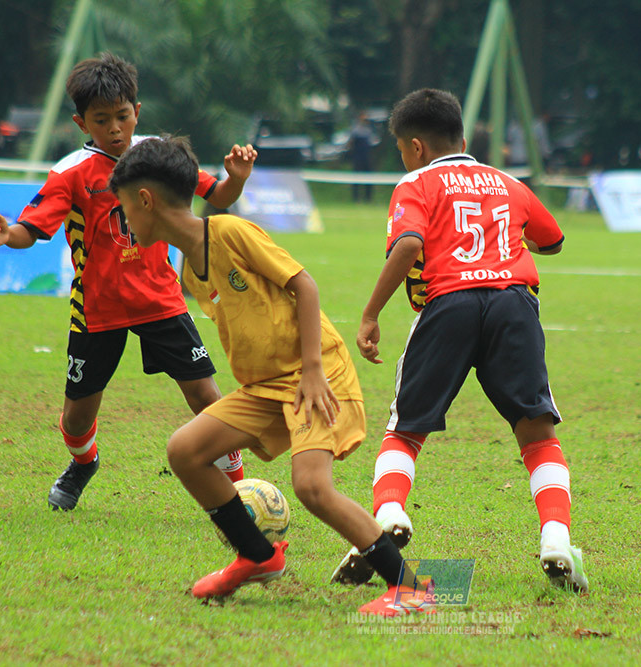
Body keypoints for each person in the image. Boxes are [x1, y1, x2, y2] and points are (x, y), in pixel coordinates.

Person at [108, 135, 434, 616]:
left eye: (123, 209)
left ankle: (413, 589)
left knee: (312, 488)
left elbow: (304, 285)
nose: (125, 222)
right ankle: (258, 557)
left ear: (145, 200)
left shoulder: (230, 232)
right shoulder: (189, 270)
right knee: (185, 451)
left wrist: (314, 371)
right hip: (265, 388)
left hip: (313, 372)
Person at [331, 88, 588, 592]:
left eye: (403, 149)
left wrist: (369, 314)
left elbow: (408, 244)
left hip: (449, 304)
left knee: (404, 428)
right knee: (536, 434)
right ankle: (556, 538)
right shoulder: (506, 181)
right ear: (464, 139)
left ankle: (387, 516)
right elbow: (552, 240)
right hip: (515, 303)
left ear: (416, 148)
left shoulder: (415, 182)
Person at [0, 53, 254, 511]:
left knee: (208, 398)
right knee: (76, 418)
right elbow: (31, 230)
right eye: (101, 119)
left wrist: (237, 179)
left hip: (162, 301)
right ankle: (84, 463)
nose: (114, 128)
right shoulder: (70, 173)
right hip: (97, 310)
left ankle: (241, 492)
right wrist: (7, 234)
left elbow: (218, 195)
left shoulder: (160, 156)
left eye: (122, 116)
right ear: (80, 121)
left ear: (137, 112)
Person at [348, 111, 378, 202]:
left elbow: (374, 143)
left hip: (367, 156)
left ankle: (368, 198)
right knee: (356, 177)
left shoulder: (370, 130)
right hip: (358, 156)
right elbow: (351, 143)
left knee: (368, 177)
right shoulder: (355, 129)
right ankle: (356, 198)